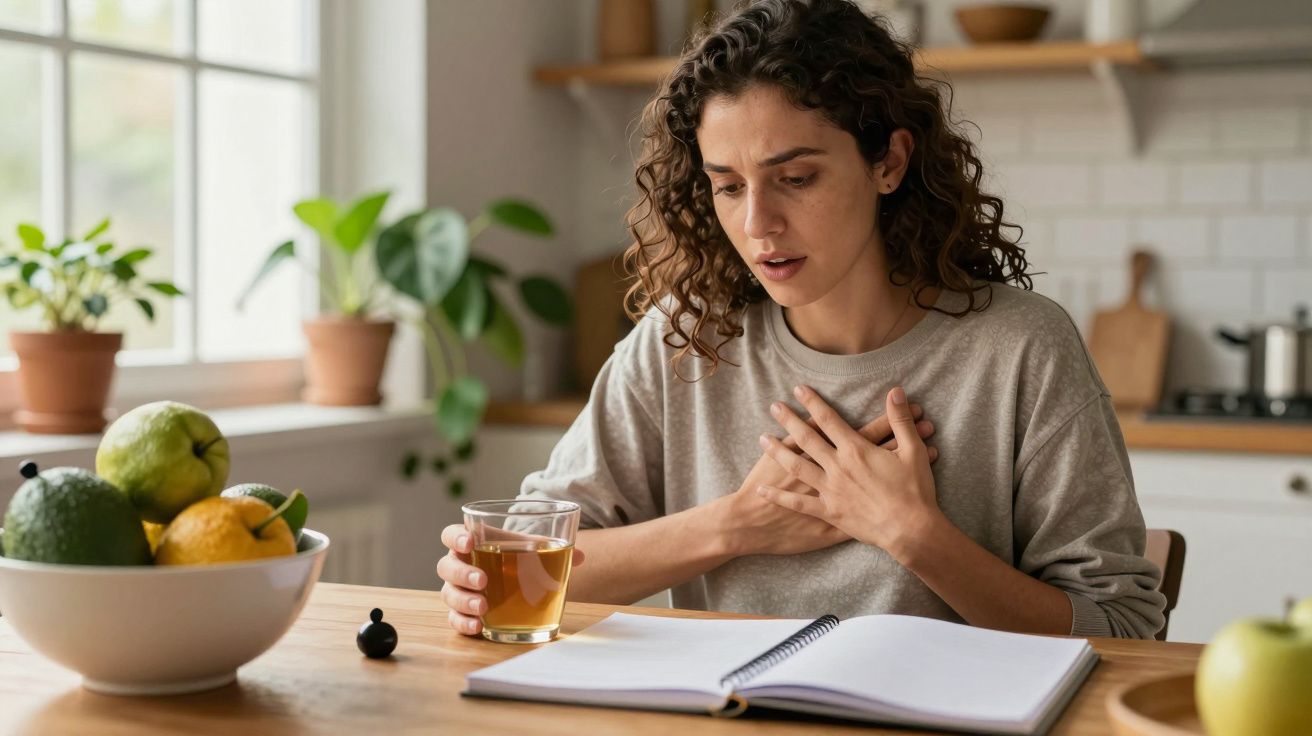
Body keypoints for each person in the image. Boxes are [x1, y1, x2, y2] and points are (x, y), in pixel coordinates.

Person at [437, 0, 1167, 640]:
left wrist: (912, 535)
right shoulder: (682, 340)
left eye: (795, 178)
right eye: (727, 187)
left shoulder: (1022, 348)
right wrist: (738, 522)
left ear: (889, 162)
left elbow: (1125, 629)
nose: (759, 224)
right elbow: (529, 561)